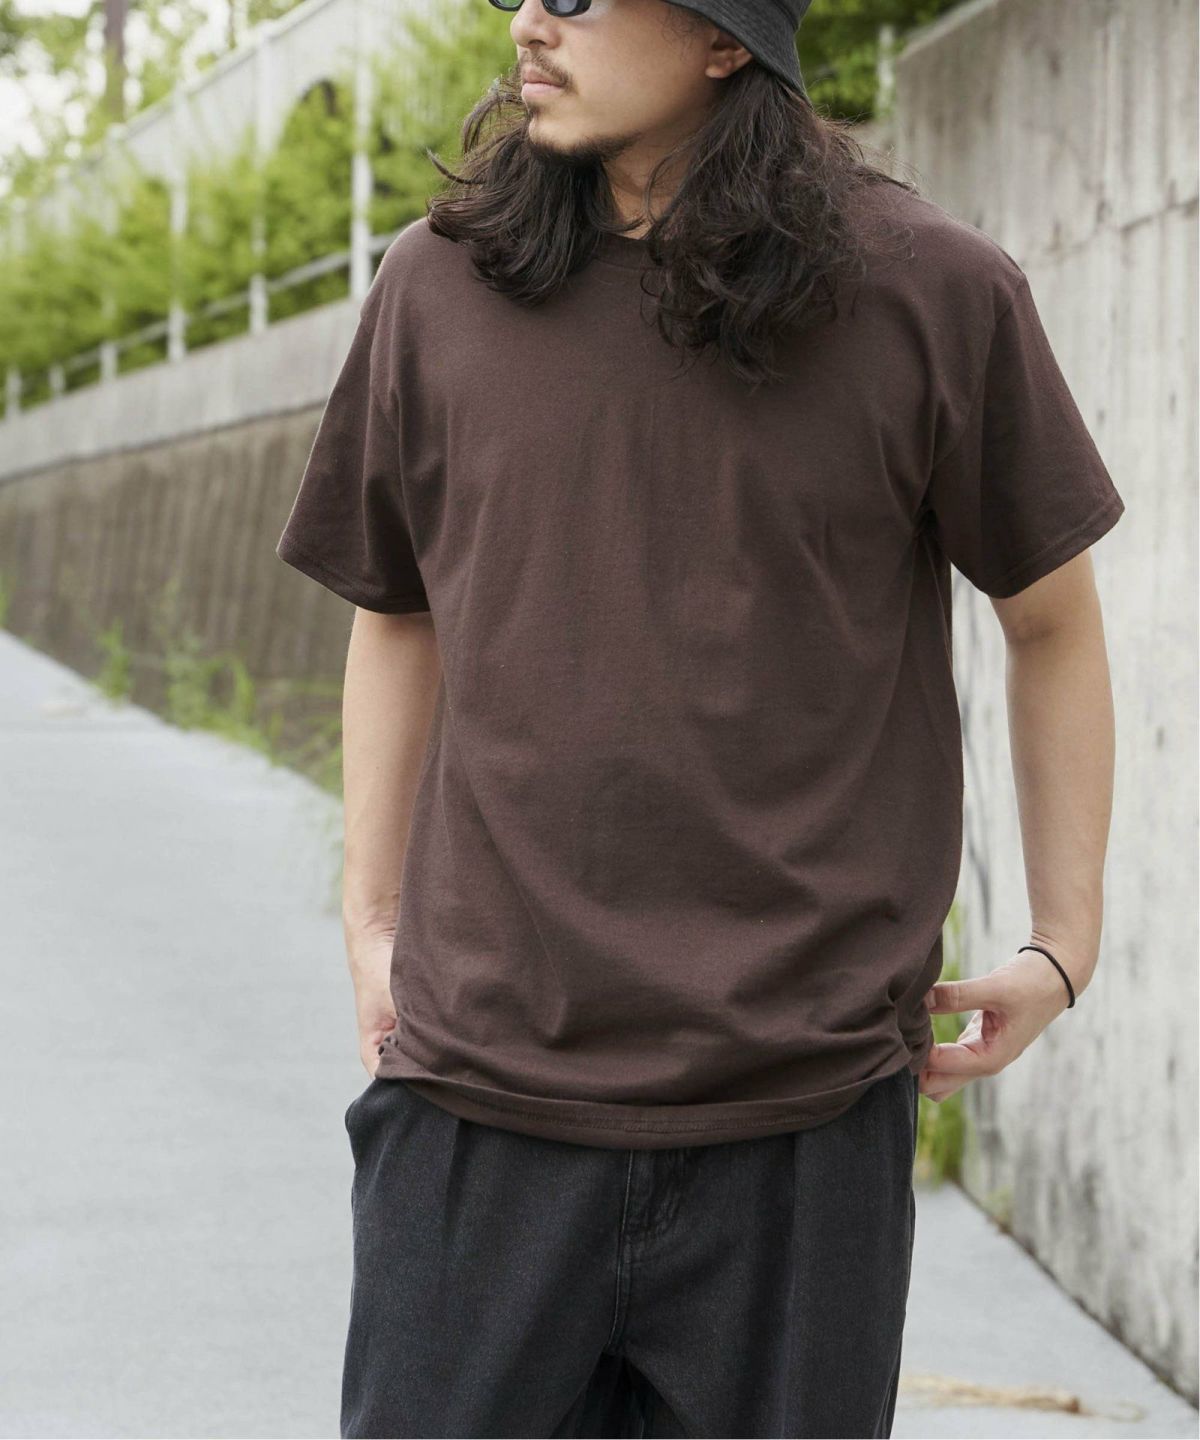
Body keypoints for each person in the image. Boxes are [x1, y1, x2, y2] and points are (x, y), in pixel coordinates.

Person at [275, 0, 1125, 1432]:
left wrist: (1065, 941)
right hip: (480, 1100)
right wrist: (370, 920)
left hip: (801, 1116)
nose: (530, 24)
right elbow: (397, 609)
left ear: (728, 38)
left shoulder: (932, 291)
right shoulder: (438, 283)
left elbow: (1051, 620)